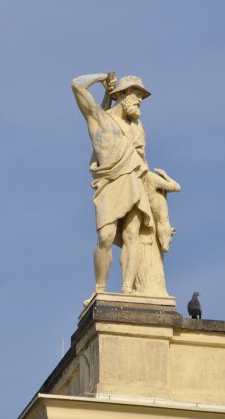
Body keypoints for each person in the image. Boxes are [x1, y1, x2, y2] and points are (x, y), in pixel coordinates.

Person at [71, 72, 156, 294]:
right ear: (122, 95)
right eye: (136, 95)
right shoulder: (100, 119)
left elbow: (144, 163)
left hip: (134, 180)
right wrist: (101, 78)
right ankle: (100, 289)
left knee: (132, 235)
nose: (139, 101)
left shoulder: (138, 129)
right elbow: (77, 85)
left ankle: (127, 287)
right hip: (110, 182)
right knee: (106, 236)